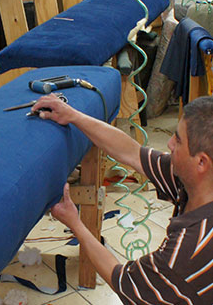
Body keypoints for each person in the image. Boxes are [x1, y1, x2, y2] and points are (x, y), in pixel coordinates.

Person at [32, 94, 213, 304]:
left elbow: (123, 281)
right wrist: (73, 116)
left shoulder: (184, 254)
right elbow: (132, 153)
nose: (170, 143)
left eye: (178, 140)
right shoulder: (194, 181)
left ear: (201, 162)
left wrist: (75, 223)